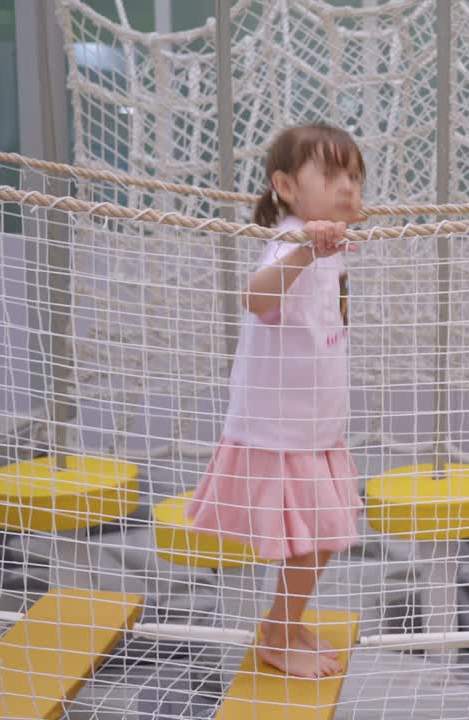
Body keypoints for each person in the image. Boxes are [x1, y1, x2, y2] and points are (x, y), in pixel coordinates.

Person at [185, 124, 366, 678]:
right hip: (281, 425)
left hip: (314, 423)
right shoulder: (290, 238)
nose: (348, 189)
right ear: (285, 187)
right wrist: (305, 252)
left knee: (317, 538)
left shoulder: (324, 244)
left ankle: (284, 624)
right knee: (323, 537)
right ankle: (278, 633)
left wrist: (322, 249)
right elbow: (256, 295)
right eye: (332, 176)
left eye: (356, 178)